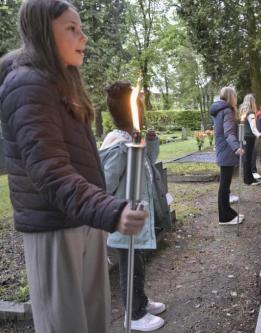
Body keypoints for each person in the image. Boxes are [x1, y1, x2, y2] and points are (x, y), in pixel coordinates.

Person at [0, 1, 148, 332]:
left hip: (83, 219)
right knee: (65, 325)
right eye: (71, 28)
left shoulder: (60, 81)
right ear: (42, 32)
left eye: (80, 28)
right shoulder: (27, 85)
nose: (84, 37)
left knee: (93, 320)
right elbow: (50, 171)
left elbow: (74, 155)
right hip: (54, 228)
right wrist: (111, 210)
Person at [99, 81, 166, 331]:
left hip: (136, 217)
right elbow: (105, 184)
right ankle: (134, 315)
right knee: (130, 268)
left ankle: (141, 302)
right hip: (123, 220)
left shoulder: (132, 139)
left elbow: (148, 162)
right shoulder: (118, 145)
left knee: (137, 264)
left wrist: (151, 142)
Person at [209, 87, 245, 225]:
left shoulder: (219, 109)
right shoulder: (227, 111)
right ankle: (224, 218)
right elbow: (228, 133)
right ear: (231, 96)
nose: (236, 98)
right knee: (224, 185)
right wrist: (236, 147)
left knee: (225, 185)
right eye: (235, 96)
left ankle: (228, 212)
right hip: (227, 150)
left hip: (223, 149)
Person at [239, 94, 261, 185]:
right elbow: (253, 128)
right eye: (254, 100)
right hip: (249, 137)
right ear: (252, 102)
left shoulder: (243, 112)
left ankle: (248, 179)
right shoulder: (250, 113)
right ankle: (248, 180)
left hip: (244, 137)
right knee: (248, 159)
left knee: (246, 159)